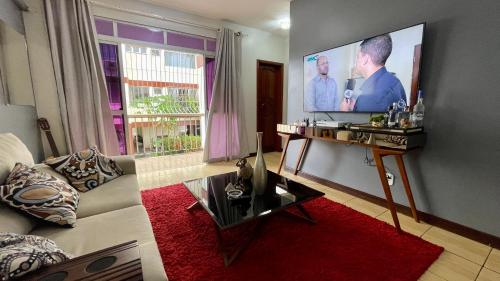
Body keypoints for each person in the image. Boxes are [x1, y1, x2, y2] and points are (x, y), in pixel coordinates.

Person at [352, 34, 406, 112]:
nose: (356, 62)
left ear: (365, 59)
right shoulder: (396, 82)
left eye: (357, 57)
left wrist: (346, 113)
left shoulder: (370, 98)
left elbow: (359, 123)